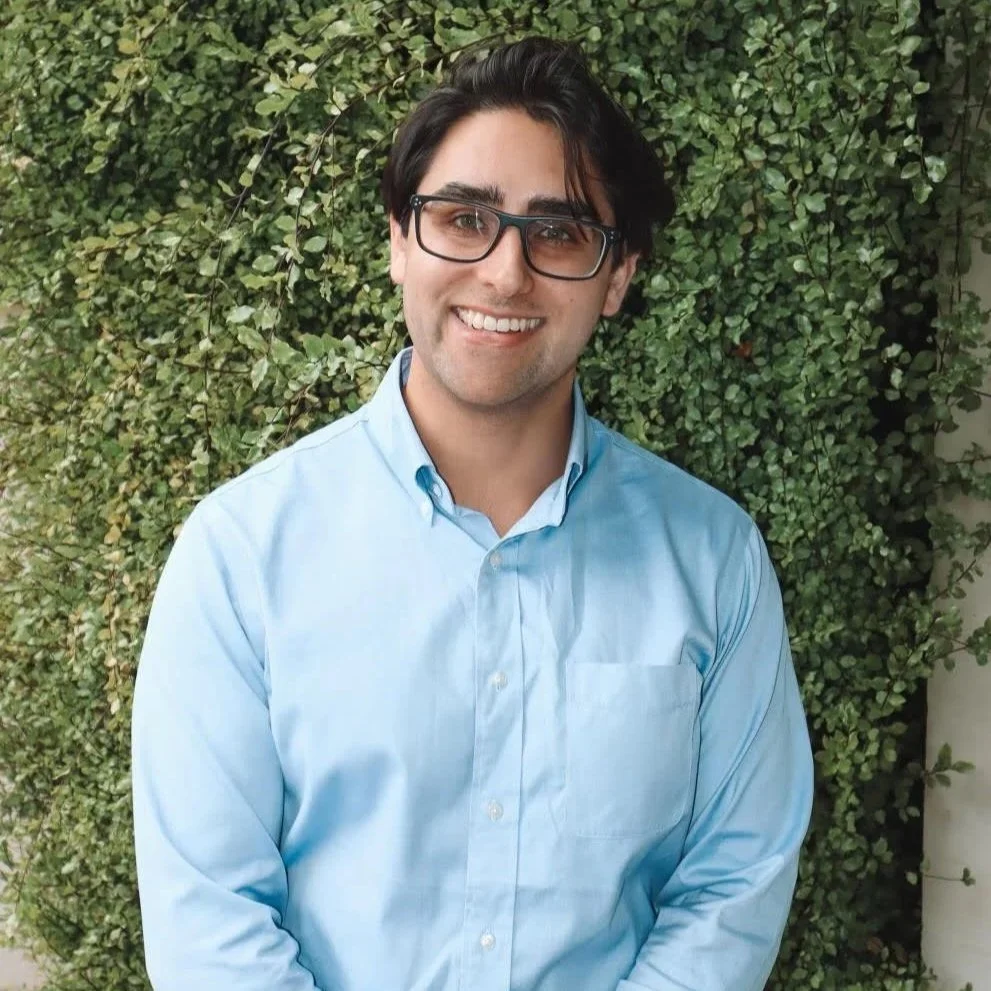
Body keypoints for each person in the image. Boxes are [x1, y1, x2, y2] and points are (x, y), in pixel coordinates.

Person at [132, 36, 814, 991]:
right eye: (464, 219)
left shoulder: (710, 559)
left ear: (617, 277)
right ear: (398, 241)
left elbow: (732, 884)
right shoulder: (242, 552)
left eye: (558, 233)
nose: (503, 273)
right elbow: (210, 919)